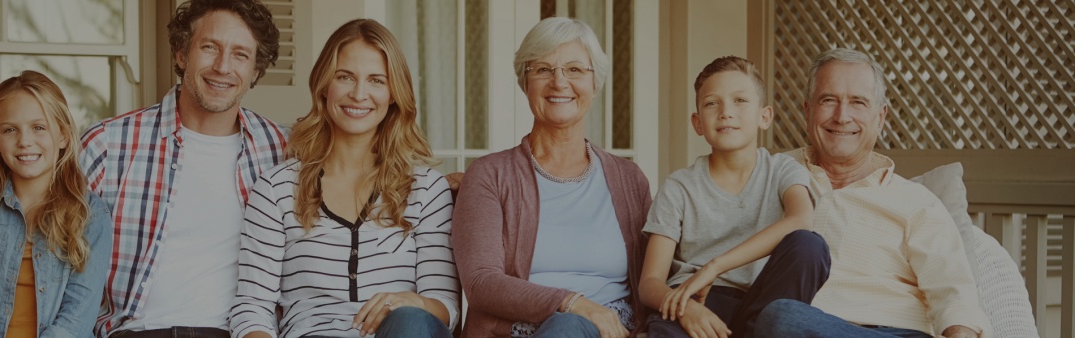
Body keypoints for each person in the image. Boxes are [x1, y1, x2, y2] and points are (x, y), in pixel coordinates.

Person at [228, 19, 458, 338]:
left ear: (394, 93)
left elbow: (446, 306)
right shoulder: (276, 188)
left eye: (377, 80)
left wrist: (412, 302)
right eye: (345, 77)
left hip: (402, 333)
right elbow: (252, 306)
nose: (359, 94)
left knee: (412, 320)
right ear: (324, 85)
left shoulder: (428, 189)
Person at [77, 0, 290, 337]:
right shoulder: (107, 144)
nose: (223, 66)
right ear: (180, 54)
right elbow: (51, 257)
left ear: (256, 70)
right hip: (134, 332)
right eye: (209, 47)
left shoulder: (283, 150)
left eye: (240, 54)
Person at [752, 48, 992, 338]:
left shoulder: (917, 201)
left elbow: (954, 293)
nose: (842, 116)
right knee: (781, 317)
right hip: (799, 329)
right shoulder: (770, 174)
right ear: (808, 110)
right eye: (829, 100)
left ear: (880, 117)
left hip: (893, 332)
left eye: (858, 103)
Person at [452, 17, 651, 338]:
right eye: (543, 69)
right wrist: (573, 304)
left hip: (613, 332)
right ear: (525, 82)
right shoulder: (489, 175)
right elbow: (481, 283)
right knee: (566, 326)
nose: (559, 82)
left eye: (575, 69)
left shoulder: (630, 180)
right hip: (517, 332)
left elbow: (650, 279)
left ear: (594, 83)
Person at [638, 56, 828, 338]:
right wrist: (686, 309)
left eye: (740, 100)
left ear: (765, 117)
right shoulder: (679, 186)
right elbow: (649, 283)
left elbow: (801, 220)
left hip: (762, 306)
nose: (726, 112)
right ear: (698, 122)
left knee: (810, 245)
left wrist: (714, 266)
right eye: (712, 103)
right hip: (695, 304)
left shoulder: (782, 171)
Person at [0, 70, 112, 338]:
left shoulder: (91, 215)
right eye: (10, 129)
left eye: (39, 127)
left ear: (64, 136)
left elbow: (77, 317)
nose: (24, 141)